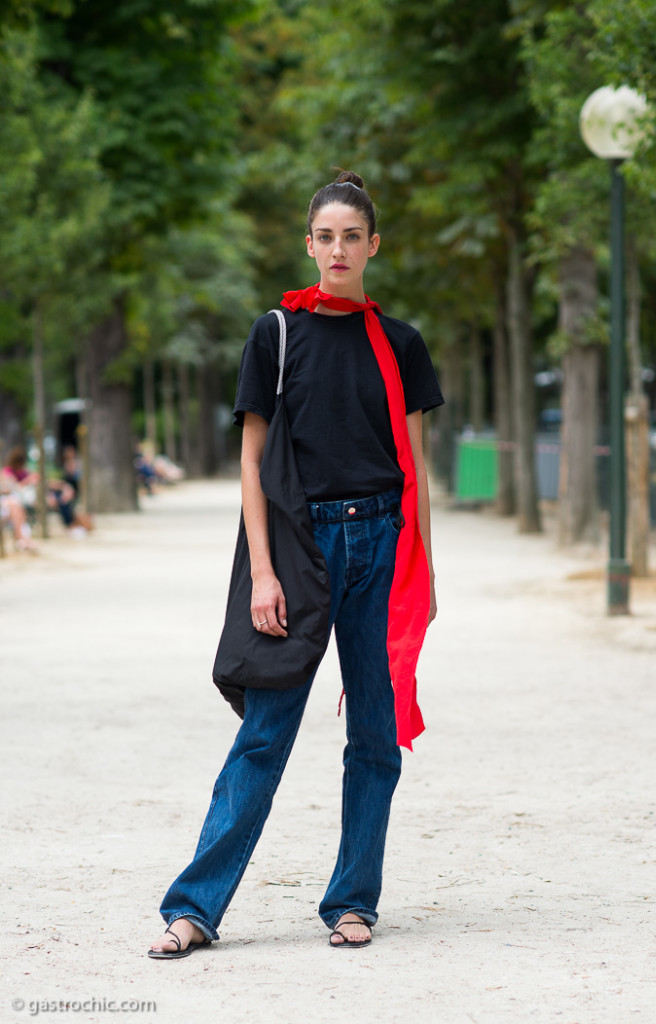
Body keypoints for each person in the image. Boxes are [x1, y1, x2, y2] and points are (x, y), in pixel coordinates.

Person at [148, 170, 444, 958]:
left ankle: (352, 901)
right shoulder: (276, 333)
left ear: (372, 246)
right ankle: (194, 907)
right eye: (326, 236)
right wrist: (265, 572)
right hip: (301, 547)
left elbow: (414, 466)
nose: (338, 249)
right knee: (264, 735)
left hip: (381, 544)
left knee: (375, 740)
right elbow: (252, 464)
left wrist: (425, 570)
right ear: (308, 244)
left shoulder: (401, 343)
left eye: (353, 236)